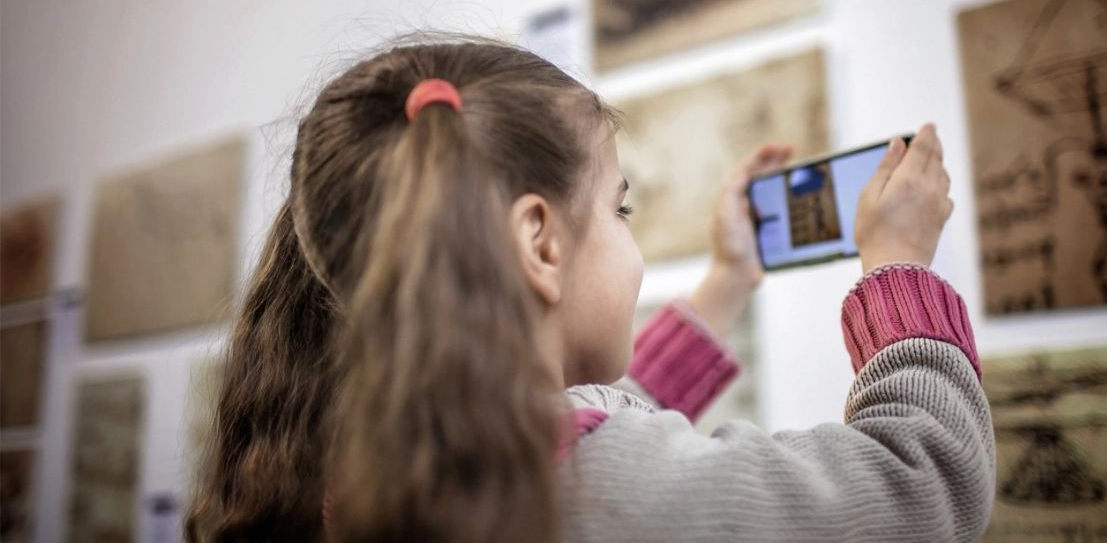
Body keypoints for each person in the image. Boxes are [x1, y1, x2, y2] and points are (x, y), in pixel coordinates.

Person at [187, 35, 994, 542]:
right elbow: (924, 483)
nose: (629, 232)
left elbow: (602, 411)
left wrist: (728, 279)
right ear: (539, 240)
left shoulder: (374, 467)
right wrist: (899, 267)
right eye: (620, 207)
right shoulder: (592, 490)